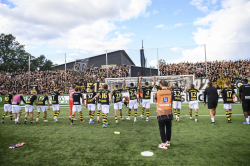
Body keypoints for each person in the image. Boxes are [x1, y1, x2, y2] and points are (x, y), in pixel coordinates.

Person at [155, 81, 173, 149]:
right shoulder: (170, 92)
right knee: (169, 127)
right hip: (169, 112)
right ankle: (168, 141)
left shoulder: (158, 92)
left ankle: (163, 143)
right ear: (167, 85)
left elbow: (155, 100)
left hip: (161, 112)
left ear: (161, 85)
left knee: (162, 128)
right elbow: (172, 101)